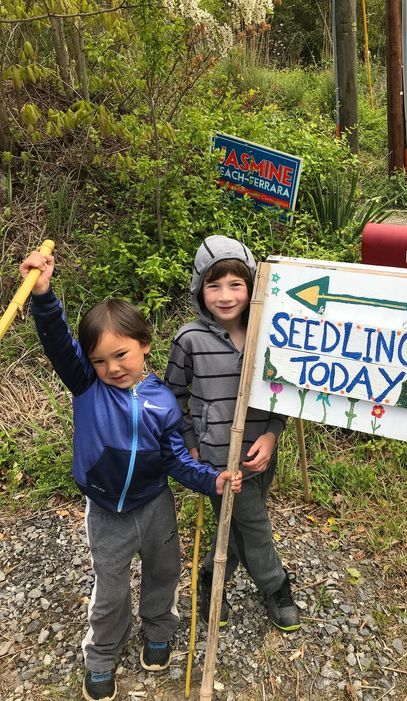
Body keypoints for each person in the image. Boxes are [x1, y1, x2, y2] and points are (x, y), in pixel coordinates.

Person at [19, 250, 242, 701]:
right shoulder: (87, 385)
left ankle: (158, 629)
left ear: (144, 344)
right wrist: (42, 294)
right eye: (100, 360)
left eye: (120, 355)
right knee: (111, 588)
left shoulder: (162, 399)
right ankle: (101, 653)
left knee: (164, 572)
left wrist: (211, 480)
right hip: (106, 510)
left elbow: (177, 458)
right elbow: (59, 342)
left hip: (156, 503)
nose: (112, 368)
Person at [164, 235, 300, 633]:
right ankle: (276, 586)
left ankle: (209, 577)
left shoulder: (269, 333)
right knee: (254, 526)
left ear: (252, 286)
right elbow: (175, 396)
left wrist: (273, 434)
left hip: (260, 452)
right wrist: (191, 447)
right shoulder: (189, 339)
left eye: (236, 284)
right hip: (216, 461)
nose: (225, 295)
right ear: (198, 288)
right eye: (214, 284)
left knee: (240, 526)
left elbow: (284, 391)